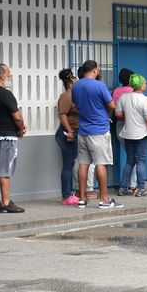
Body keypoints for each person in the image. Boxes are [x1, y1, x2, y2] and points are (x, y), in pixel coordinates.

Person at [72, 60, 121, 209]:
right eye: (98, 69)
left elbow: (75, 105)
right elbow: (112, 105)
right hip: (99, 130)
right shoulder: (100, 85)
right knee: (101, 163)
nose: (99, 72)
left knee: (83, 163)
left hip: (83, 131)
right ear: (94, 70)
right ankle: (104, 199)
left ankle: (82, 198)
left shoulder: (76, 86)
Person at [0, 64, 27, 213]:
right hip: (7, 136)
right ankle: (6, 202)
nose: (10, 76)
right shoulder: (6, 94)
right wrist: (21, 128)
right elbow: (16, 116)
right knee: (5, 170)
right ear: (2, 75)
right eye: (8, 74)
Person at [116, 73, 147, 197]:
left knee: (129, 161)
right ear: (140, 86)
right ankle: (141, 189)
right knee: (141, 162)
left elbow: (118, 114)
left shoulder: (123, 97)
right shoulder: (146, 100)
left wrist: (129, 116)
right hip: (142, 135)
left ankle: (123, 188)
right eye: (144, 83)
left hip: (128, 134)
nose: (146, 84)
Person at [55, 69, 85, 206]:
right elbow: (62, 115)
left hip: (73, 131)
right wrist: (70, 131)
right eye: (76, 81)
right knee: (68, 165)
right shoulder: (67, 96)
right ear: (71, 83)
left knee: (71, 163)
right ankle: (66, 196)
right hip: (67, 133)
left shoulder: (73, 95)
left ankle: (70, 193)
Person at [112, 68, 136, 195]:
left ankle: (125, 184)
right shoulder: (132, 92)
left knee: (129, 156)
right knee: (133, 157)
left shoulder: (115, 91)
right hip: (131, 126)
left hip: (118, 125)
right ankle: (132, 185)